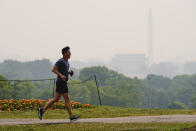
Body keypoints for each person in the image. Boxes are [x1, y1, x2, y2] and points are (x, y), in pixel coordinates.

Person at [38, 46, 80, 121]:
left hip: (61, 82)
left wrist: (69, 72)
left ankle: (42, 110)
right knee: (67, 99)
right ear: (65, 53)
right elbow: (53, 69)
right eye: (69, 52)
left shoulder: (66, 61)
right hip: (61, 82)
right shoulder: (61, 61)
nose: (71, 54)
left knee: (56, 99)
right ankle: (71, 116)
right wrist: (61, 75)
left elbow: (63, 70)